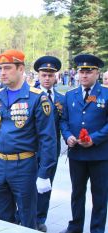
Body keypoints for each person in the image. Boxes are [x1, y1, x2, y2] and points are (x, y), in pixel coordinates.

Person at [0, 49, 56, 229]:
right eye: (0, 69)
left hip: (24, 165)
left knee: (27, 217)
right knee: (4, 216)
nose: (2, 73)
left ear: (21, 69)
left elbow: (48, 139)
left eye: (7, 68)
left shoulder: (37, 98)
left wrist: (45, 173)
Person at [60, 54, 108, 233]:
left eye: (89, 71)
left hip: (99, 155)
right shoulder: (70, 95)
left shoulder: (105, 94)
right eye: (82, 71)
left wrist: (94, 139)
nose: (85, 75)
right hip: (77, 154)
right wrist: (68, 136)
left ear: (97, 73)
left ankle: (97, 229)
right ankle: (75, 227)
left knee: (100, 195)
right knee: (77, 193)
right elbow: (63, 120)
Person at [33, 56, 65, 232]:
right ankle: (22, 216)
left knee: (45, 185)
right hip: (30, 149)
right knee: (27, 185)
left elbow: (64, 123)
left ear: (56, 77)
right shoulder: (29, 95)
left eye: (50, 75)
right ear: (38, 75)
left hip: (51, 151)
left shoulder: (61, 99)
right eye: (44, 74)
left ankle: (40, 219)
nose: (47, 78)